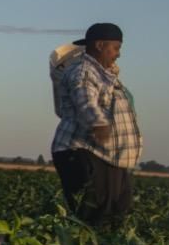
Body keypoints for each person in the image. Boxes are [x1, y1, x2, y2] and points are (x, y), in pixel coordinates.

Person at [50, 23, 141, 227]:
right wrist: (98, 123)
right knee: (93, 216)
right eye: (115, 48)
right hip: (83, 151)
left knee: (117, 211)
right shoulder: (83, 71)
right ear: (100, 45)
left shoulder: (104, 74)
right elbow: (84, 98)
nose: (118, 54)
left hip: (106, 154)